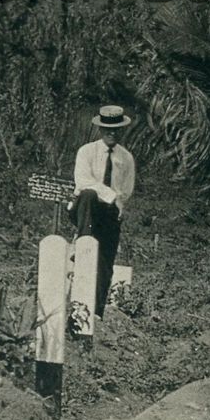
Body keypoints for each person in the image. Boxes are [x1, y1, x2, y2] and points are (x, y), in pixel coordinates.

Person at [70, 104, 137, 315]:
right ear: (100, 129)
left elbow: (125, 191)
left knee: (105, 263)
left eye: (116, 129)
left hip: (109, 215)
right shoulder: (87, 152)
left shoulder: (126, 158)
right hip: (85, 209)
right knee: (90, 195)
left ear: (121, 130)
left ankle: (96, 311)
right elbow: (83, 182)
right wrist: (110, 195)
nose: (111, 133)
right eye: (107, 129)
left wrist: (116, 201)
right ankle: (83, 246)